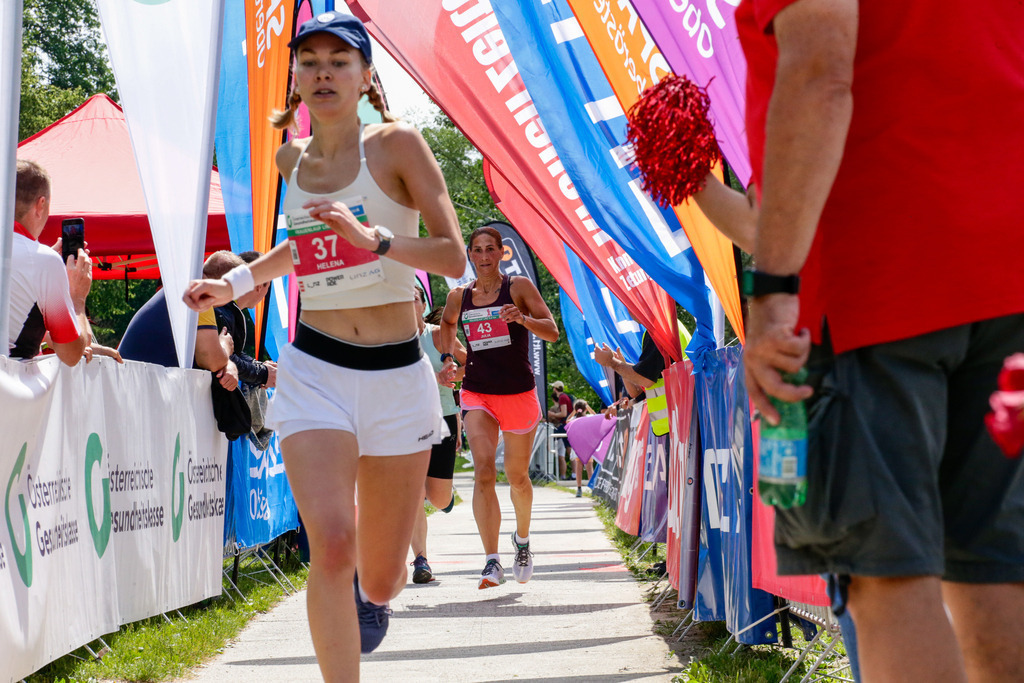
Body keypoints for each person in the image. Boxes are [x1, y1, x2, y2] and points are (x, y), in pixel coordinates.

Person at [736, 1, 1024, 680]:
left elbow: (820, 74)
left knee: (884, 571)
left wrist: (776, 289)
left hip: (879, 269)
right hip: (1005, 262)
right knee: (996, 569)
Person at [183, 11, 465, 679]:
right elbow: (300, 246)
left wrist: (377, 242)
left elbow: (453, 255)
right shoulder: (294, 158)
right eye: (309, 61)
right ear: (296, 80)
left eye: (339, 61)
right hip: (316, 370)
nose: (323, 72)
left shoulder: (399, 147)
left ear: (366, 77)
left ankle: (374, 583)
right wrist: (239, 283)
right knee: (331, 547)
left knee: (387, 576)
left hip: (397, 376)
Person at [440, 225, 558, 589]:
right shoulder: (459, 296)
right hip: (477, 392)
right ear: (471, 255)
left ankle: (521, 542)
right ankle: (491, 560)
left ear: (501, 253)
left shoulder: (518, 287)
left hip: (518, 393)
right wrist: (448, 359)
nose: (485, 256)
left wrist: (521, 319)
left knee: (517, 477)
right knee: (484, 471)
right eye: (478, 250)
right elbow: (446, 323)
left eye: (491, 249)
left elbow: (551, 331)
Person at [8, 160, 93, 366]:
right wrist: (78, 298)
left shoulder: (41, 260)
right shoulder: (44, 261)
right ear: (41, 205)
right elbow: (71, 354)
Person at [409, 285, 467, 584]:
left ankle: (446, 496)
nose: (408, 303)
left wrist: (456, 373)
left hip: (441, 416)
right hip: (404, 421)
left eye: (414, 299)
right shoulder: (390, 337)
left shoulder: (437, 335)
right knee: (414, 493)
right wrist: (436, 376)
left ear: (423, 304)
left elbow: (468, 363)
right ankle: (421, 560)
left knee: (437, 496)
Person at [567, 399, 596, 497]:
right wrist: (588, 407)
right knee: (589, 468)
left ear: (576, 409)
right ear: (585, 409)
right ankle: (592, 488)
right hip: (588, 445)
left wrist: (574, 412)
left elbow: (567, 421)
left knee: (578, 468)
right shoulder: (588, 417)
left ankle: (579, 489)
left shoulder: (574, 419)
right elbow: (596, 416)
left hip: (577, 446)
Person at [547, 380, 574, 479]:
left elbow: (563, 413)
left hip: (564, 425)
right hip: (569, 425)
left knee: (549, 439)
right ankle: (574, 474)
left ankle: (548, 469)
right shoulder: (566, 396)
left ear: (555, 389)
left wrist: (552, 414)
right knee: (569, 450)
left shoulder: (562, 397)